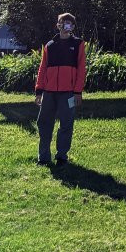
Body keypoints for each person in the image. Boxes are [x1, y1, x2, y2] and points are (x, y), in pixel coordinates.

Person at [35, 13, 87, 166]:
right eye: (62, 23)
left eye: (69, 23)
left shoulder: (78, 44)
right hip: (48, 92)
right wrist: (39, 90)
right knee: (44, 123)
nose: (65, 25)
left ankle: (62, 156)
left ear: (73, 26)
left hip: (69, 93)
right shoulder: (49, 45)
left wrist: (77, 91)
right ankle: (43, 157)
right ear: (57, 25)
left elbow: (81, 69)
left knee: (66, 124)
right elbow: (42, 68)